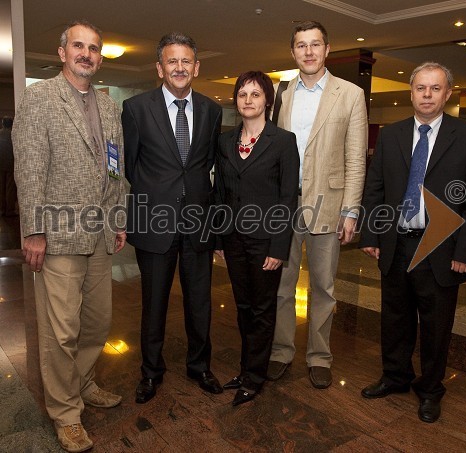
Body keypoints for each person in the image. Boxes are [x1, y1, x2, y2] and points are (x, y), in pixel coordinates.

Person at [12, 20, 126, 453]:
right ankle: (65, 413)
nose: (87, 54)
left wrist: (118, 217)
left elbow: (116, 167)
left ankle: (82, 382)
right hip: (57, 236)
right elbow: (29, 169)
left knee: (97, 322)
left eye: (94, 48)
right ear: (62, 53)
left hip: (99, 234)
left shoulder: (107, 103)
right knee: (61, 332)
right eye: (78, 46)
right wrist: (34, 231)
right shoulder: (40, 98)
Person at [359, 62, 466, 423]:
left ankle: (431, 390)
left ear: (448, 93)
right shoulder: (391, 134)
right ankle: (395, 376)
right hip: (397, 243)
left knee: (435, 325)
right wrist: (372, 233)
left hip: (441, 248)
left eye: (435, 88)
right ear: (411, 92)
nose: (427, 95)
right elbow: (376, 188)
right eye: (421, 88)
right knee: (394, 317)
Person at [122, 32, 223, 404]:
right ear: (159, 67)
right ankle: (151, 373)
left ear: (196, 67)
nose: (179, 67)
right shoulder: (135, 108)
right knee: (153, 303)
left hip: (198, 222)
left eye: (186, 61)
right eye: (171, 61)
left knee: (200, 302)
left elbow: (206, 165)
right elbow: (131, 166)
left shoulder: (212, 110)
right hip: (154, 223)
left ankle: (200, 367)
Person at [268, 20, 367, 389]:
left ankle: (319, 356)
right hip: (285, 206)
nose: (308, 51)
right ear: (292, 52)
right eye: (300, 45)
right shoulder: (281, 94)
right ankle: (280, 351)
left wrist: (351, 209)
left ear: (327, 49)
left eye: (315, 44)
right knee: (281, 285)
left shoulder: (351, 94)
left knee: (324, 287)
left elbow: (356, 157)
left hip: (329, 204)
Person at [214, 71, 299, 406]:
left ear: (268, 101)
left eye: (255, 94)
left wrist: (279, 246)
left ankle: (255, 376)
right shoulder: (225, 141)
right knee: (244, 306)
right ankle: (245, 368)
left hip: (266, 241)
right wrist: (219, 238)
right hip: (233, 238)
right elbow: (220, 192)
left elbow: (287, 197)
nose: (248, 100)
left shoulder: (283, 141)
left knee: (263, 309)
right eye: (242, 94)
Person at [0, 116, 16, 217]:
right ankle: (10, 210)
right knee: (10, 188)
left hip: (0, 164)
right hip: (11, 164)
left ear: (2, 123)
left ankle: (1, 209)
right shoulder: (14, 134)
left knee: (1, 187)